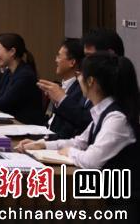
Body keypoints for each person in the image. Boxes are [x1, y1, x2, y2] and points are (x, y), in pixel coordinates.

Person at [17, 52, 139, 211]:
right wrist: (42, 145)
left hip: (120, 204)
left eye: (80, 75)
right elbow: (79, 142)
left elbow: (91, 161)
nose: (78, 79)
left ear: (91, 81)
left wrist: (69, 152)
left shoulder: (116, 118)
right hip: (104, 197)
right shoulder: (101, 111)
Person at [38, 38, 91, 139]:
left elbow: (70, 128)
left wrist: (60, 99)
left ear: (72, 62)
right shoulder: (63, 85)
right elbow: (52, 121)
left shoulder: (81, 89)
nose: (56, 60)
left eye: (59, 56)